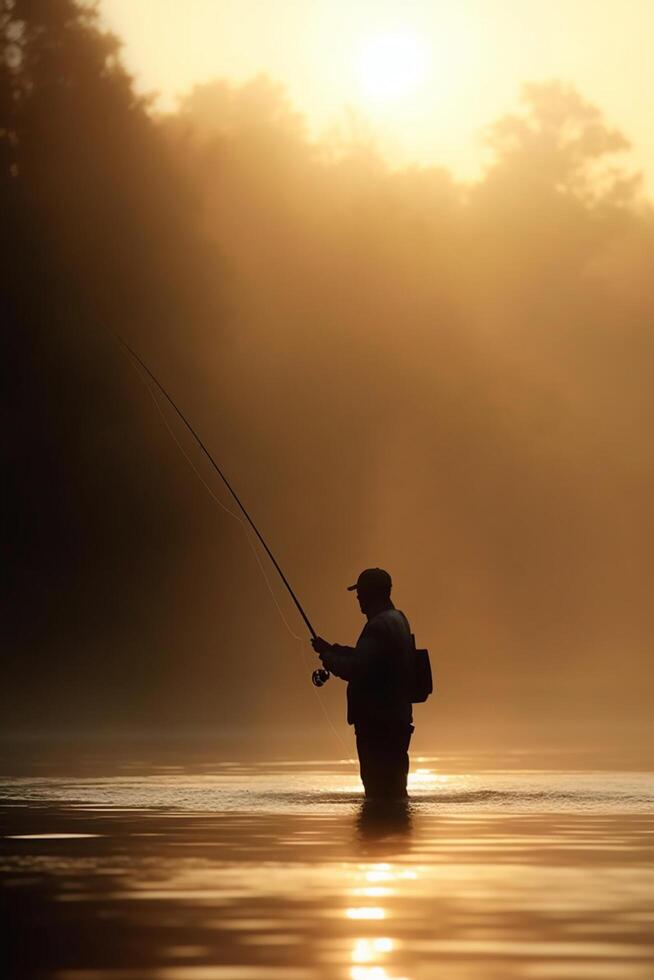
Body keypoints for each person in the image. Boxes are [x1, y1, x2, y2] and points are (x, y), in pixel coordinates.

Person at [311, 568, 414, 800]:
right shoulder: (398, 619)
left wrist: (329, 659)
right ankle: (395, 828)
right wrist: (332, 649)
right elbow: (369, 657)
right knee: (395, 788)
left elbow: (358, 669)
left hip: (377, 724)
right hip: (397, 718)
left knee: (378, 790)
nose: (358, 598)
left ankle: (377, 829)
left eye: (362, 593)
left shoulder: (377, 626)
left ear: (373, 593)